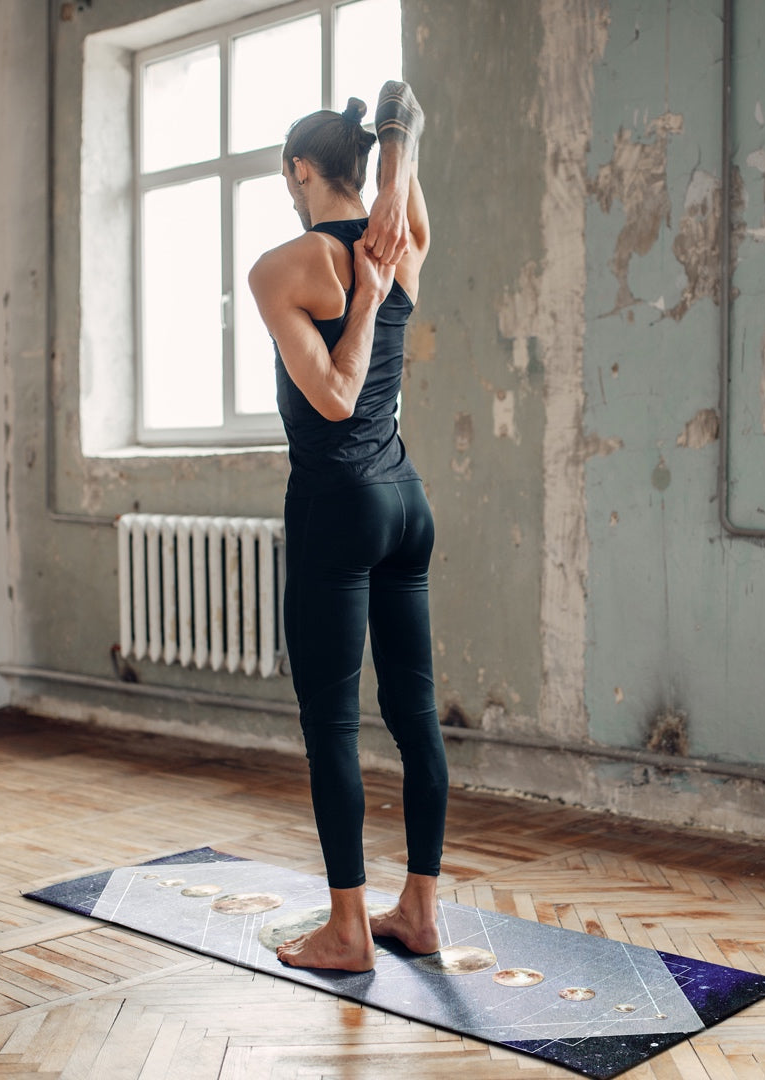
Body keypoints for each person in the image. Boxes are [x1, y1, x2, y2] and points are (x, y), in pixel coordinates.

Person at [248, 81, 447, 972]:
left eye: (288, 176)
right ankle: (420, 912)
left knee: (332, 722)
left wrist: (361, 301)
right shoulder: (404, 241)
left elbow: (331, 398)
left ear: (301, 171)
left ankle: (347, 929)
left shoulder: (285, 267)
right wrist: (399, 145)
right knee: (413, 716)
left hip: (338, 505)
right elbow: (398, 185)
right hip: (408, 502)